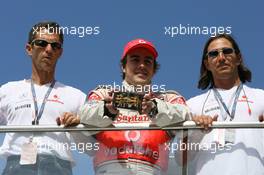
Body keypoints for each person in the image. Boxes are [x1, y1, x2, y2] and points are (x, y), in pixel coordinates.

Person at [63, 38, 191, 174]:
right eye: (135, 60)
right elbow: (84, 114)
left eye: (147, 61)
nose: (142, 65)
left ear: (154, 70)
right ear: (123, 67)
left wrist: (155, 108)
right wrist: (108, 111)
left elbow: (185, 114)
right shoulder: (104, 94)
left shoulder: (168, 98)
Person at [0, 21, 86, 175]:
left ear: (60, 52)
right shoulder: (7, 90)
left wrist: (77, 128)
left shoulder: (77, 96)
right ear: (29, 49)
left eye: (55, 46)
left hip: (59, 167)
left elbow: (91, 149)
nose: (48, 49)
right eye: (41, 43)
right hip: (16, 166)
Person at [187, 34, 264, 175]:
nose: (221, 58)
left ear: (238, 58)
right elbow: (181, 159)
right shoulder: (192, 105)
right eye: (214, 54)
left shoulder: (261, 97)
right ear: (207, 64)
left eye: (227, 51)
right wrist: (197, 132)